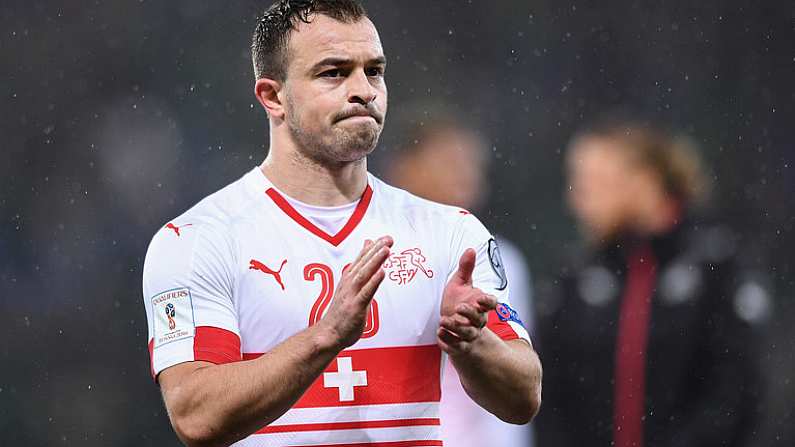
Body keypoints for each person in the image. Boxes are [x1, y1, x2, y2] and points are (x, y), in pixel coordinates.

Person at [141, 2, 542, 446]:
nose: (364, 90)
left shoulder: (451, 234)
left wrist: (472, 342)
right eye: (334, 72)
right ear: (273, 97)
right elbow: (196, 417)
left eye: (374, 71)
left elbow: (524, 398)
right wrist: (325, 338)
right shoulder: (197, 240)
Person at [536, 118, 766, 447]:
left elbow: (736, 395)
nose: (576, 200)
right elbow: (549, 400)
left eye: (590, 182)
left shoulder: (717, 268)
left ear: (644, 180)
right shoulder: (573, 279)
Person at [383, 105, 535, 447]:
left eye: (473, 164)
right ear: (404, 168)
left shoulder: (501, 258)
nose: (466, 174)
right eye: (450, 162)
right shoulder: (375, 257)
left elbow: (519, 369)